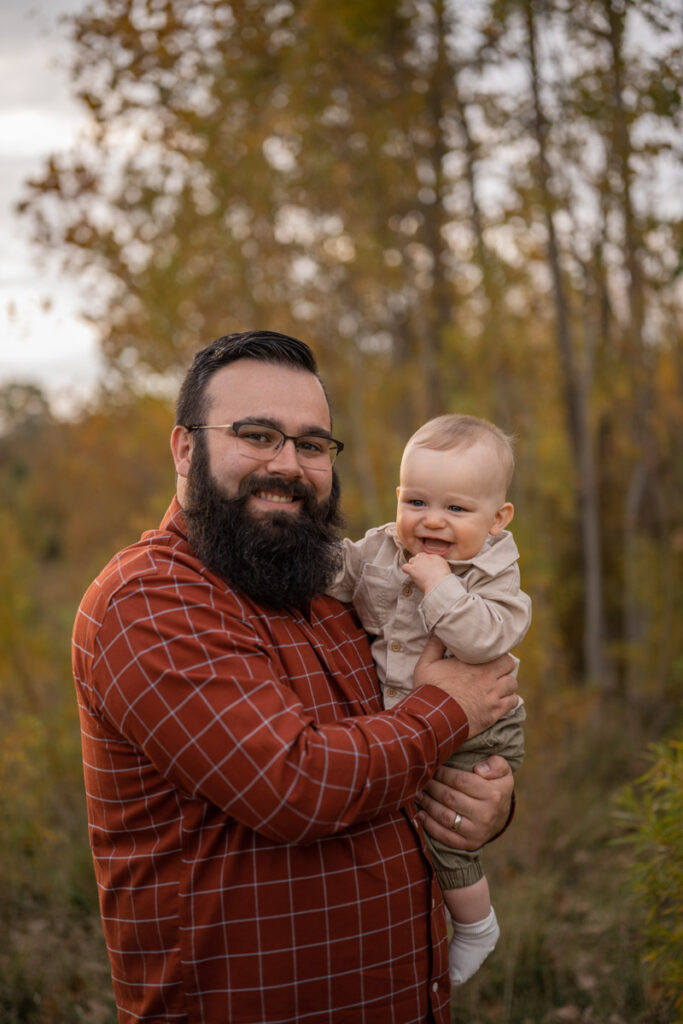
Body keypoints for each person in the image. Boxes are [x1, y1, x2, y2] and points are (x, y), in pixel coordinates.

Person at [72, 330, 518, 1024]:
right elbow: (298, 788)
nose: (288, 463)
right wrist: (450, 709)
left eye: (311, 445)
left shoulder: (322, 581)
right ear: (185, 449)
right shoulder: (150, 600)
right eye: (257, 434)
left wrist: (479, 798)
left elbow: (403, 748)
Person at [328, 413, 531, 985]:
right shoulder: (381, 549)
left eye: (457, 509)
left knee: (446, 830)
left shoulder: (493, 573)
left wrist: (438, 584)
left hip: (483, 728)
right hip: (411, 716)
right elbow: (339, 573)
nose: (432, 521)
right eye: (416, 501)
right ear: (398, 498)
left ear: (497, 519)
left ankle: (476, 926)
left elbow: (486, 638)